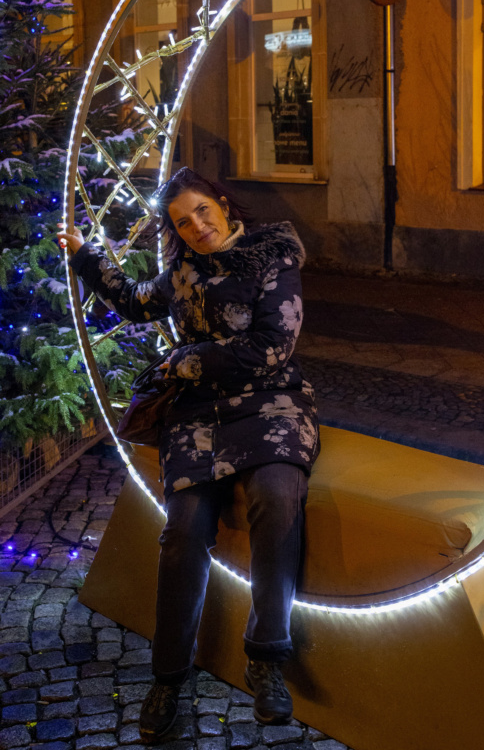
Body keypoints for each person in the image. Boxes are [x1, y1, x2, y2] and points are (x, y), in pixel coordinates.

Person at [58, 167, 319, 744]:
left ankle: (267, 656)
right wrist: (85, 256)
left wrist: (185, 359)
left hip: (271, 404)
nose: (196, 227)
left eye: (203, 211)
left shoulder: (271, 255)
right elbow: (135, 301)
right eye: (182, 222)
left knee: (276, 499)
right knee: (183, 529)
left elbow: (272, 347)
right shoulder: (181, 272)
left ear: (224, 205)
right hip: (199, 412)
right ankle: (169, 675)